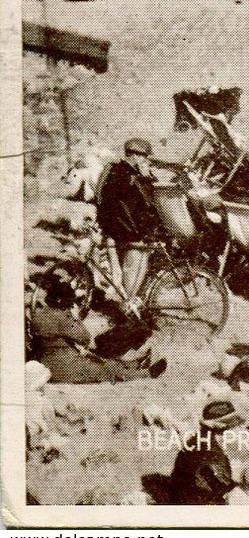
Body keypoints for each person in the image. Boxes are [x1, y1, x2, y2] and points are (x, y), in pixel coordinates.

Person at [27, 274, 163, 382]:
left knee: (102, 363)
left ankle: (134, 365)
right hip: (65, 367)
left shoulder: (40, 314)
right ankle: (146, 374)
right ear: (63, 302)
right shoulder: (63, 317)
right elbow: (84, 337)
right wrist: (75, 317)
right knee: (105, 370)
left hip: (47, 362)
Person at [97, 138, 165, 305]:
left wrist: (146, 177)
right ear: (135, 155)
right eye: (145, 157)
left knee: (139, 258)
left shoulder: (122, 170)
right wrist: (145, 179)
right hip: (123, 227)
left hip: (120, 225)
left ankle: (130, 296)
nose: (146, 160)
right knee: (137, 256)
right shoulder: (122, 173)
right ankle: (127, 301)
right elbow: (145, 199)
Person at [166, 400, 242, 505]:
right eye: (232, 427)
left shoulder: (198, 439)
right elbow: (220, 487)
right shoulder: (211, 452)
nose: (238, 430)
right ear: (220, 428)